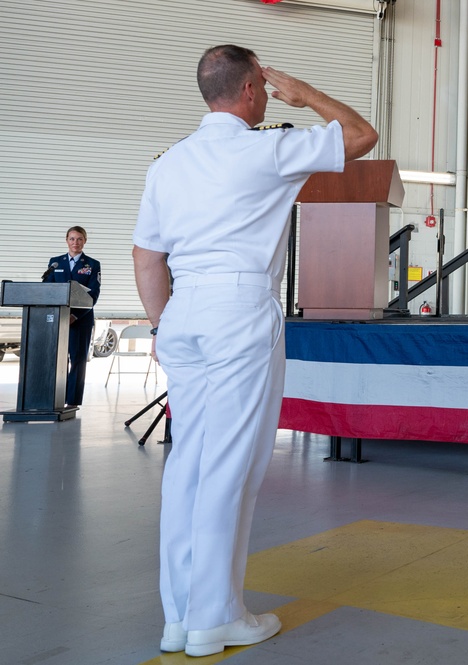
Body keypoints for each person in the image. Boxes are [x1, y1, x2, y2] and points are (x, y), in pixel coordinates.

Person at [132, 45, 377, 657]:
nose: (269, 99)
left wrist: (163, 325)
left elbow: (146, 255)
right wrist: (307, 93)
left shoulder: (168, 165)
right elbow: (361, 135)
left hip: (182, 312)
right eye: (264, 91)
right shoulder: (266, 149)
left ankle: (181, 617)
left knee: (188, 463)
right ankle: (216, 616)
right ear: (249, 91)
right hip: (238, 311)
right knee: (229, 465)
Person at [43, 226, 101, 406]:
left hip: (80, 320)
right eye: (72, 239)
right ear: (66, 240)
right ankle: (54, 396)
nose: (75, 243)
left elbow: (93, 294)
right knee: (55, 358)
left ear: (85, 241)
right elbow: (47, 290)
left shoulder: (92, 264)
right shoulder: (55, 263)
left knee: (77, 359)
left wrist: (75, 316)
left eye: (79, 239)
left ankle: (72, 400)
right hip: (58, 319)